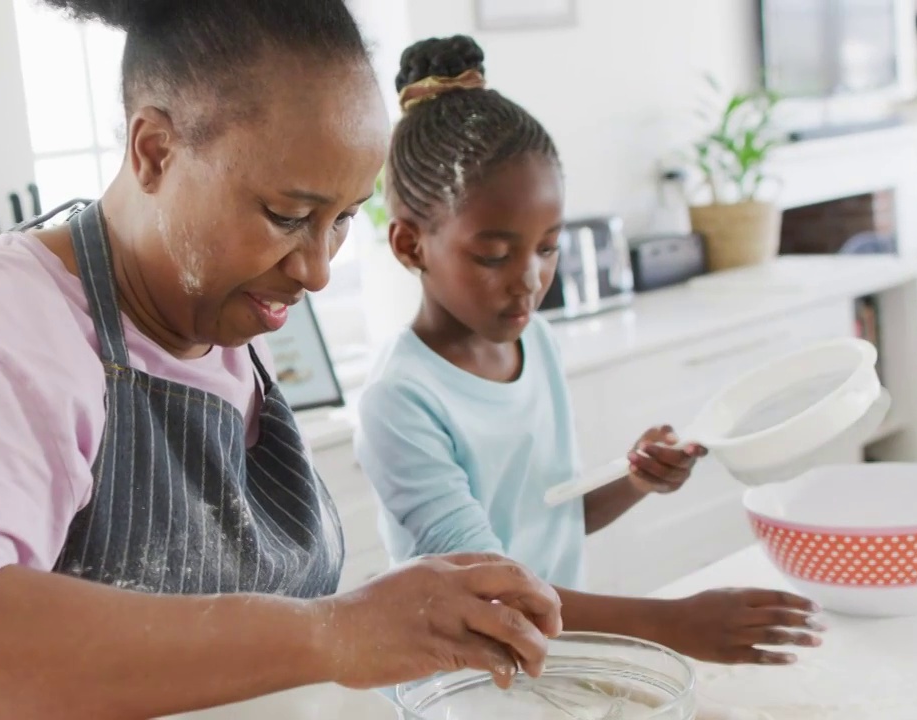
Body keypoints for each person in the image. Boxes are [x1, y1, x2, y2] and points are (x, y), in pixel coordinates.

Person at [0, 5, 566, 720]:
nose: (318, 269)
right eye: (288, 216)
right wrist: (332, 632)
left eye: (340, 221)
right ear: (155, 150)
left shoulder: (219, 325)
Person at [354, 35, 826, 668]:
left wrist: (631, 481)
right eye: (494, 255)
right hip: (454, 687)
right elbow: (493, 592)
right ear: (410, 245)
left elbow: (550, 518)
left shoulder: (533, 342)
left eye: (547, 247)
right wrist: (676, 623)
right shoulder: (400, 401)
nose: (529, 279)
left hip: (543, 661)